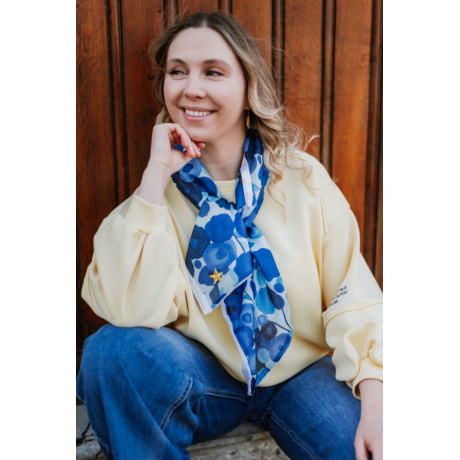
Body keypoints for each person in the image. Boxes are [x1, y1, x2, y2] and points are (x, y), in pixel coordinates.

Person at [76, 11, 383, 460]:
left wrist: (376, 403)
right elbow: (131, 312)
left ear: (247, 87)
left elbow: (353, 297)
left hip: (301, 375)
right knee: (110, 350)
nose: (191, 88)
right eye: (177, 71)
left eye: (213, 72)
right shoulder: (151, 203)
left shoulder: (302, 179)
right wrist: (156, 174)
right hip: (208, 379)